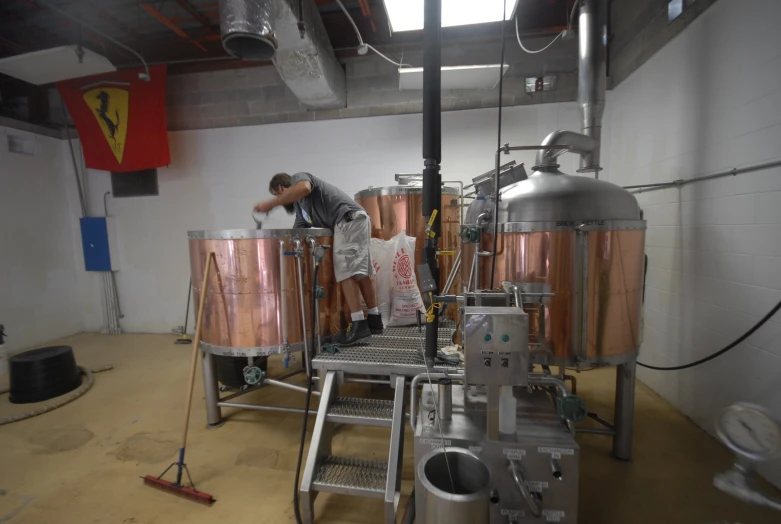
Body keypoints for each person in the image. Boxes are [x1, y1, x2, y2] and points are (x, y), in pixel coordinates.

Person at [254, 172, 383, 345]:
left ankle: (360, 326)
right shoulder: (301, 210)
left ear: (281, 188)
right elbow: (296, 233)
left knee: (346, 273)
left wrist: (271, 204)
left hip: (348, 220)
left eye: (278, 195)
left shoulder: (299, 178)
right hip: (355, 220)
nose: (281, 201)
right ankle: (374, 320)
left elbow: (304, 188)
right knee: (361, 272)